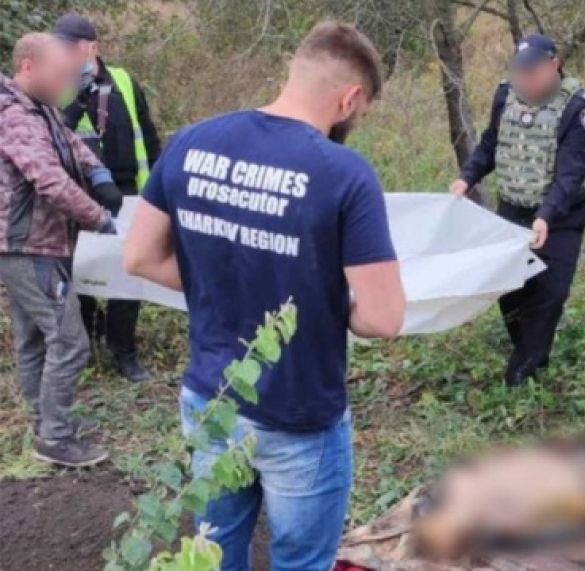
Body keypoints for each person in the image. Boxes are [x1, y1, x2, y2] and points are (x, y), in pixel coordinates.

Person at [123, 21, 405, 571]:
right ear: (349, 98)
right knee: (301, 560)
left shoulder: (190, 142)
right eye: (362, 110)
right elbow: (383, 317)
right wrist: (320, 303)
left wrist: (221, 289)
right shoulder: (345, 174)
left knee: (214, 549)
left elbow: (138, 256)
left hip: (210, 402)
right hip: (299, 414)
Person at [450, 34, 585, 387]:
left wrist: (546, 216)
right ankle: (530, 352)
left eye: (533, 72)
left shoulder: (579, 108)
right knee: (511, 291)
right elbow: (491, 143)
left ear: (554, 65)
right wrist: (466, 178)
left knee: (550, 293)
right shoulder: (506, 96)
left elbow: (570, 174)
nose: (526, 79)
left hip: (560, 219)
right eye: (521, 72)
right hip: (513, 211)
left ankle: (519, 376)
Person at [0, 33, 121, 467]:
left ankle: (46, 419)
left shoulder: (42, 107)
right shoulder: (13, 115)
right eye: (60, 75)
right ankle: (55, 436)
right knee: (69, 340)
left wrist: (100, 174)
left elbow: (72, 144)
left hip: (38, 241)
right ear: (28, 66)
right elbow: (48, 180)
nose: (67, 85)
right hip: (28, 245)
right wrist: (99, 218)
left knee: (34, 337)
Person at [55, 12, 162, 382]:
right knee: (81, 272)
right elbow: (53, 136)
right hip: (78, 195)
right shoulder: (57, 84)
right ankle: (87, 343)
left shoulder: (123, 81)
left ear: (92, 47)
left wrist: (159, 188)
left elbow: (147, 135)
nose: (66, 53)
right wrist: (76, 98)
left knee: (128, 272)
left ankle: (123, 350)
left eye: (72, 46)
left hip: (130, 192)